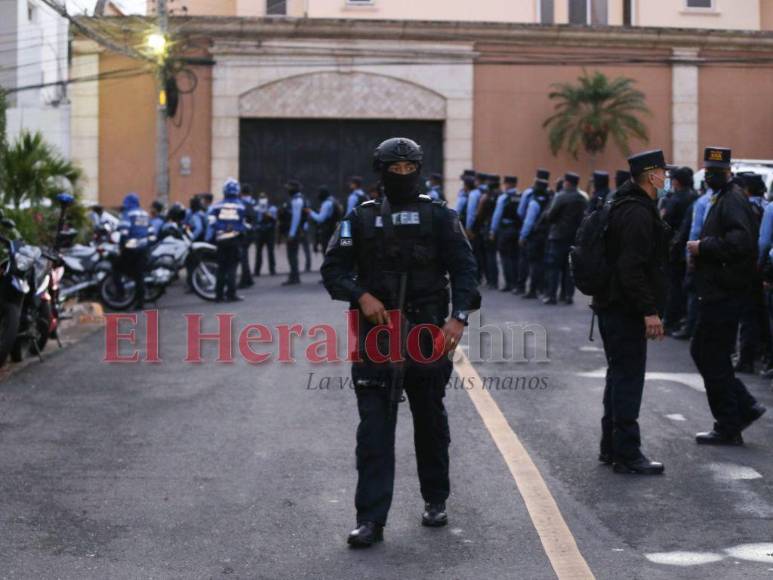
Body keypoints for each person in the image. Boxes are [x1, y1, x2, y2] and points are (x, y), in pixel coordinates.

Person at [321, 137, 480, 548]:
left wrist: (458, 318)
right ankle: (371, 519)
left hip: (427, 331)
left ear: (421, 169)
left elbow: (466, 270)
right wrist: (360, 295)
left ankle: (435, 499)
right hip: (376, 333)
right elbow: (333, 270)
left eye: (411, 169)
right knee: (374, 429)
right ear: (382, 170)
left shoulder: (441, 216)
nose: (404, 176)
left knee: (429, 420)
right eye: (396, 169)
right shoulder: (358, 217)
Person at [592, 150, 672, 475]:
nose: (666, 178)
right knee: (628, 379)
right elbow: (631, 268)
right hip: (624, 310)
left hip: (611, 305)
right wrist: (649, 311)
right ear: (652, 176)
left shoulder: (620, 204)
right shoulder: (637, 212)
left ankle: (610, 448)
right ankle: (626, 453)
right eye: (663, 173)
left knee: (618, 375)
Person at [686, 147, 767, 446]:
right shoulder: (723, 198)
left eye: (716, 172)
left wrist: (702, 247)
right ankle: (742, 408)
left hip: (724, 293)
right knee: (709, 353)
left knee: (709, 354)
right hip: (717, 291)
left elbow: (741, 242)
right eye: (707, 171)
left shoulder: (731, 200)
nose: (710, 176)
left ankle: (729, 422)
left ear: (728, 172)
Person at [660, 167, 698, 334]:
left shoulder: (675, 199)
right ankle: (681, 318)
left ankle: (669, 320)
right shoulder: (696, 197)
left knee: (673, 285)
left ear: (676, 181)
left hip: (675, 246)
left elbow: (665, 222)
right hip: (689, 246)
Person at [543, 172, 587, 305]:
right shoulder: (582, 198)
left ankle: (551, 296)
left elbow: (551, 216)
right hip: (574, 237)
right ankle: (568, 296)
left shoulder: (561, 196)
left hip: (558, 237)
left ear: (567, 182)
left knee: (554, 267)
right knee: (569, 268)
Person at [207, 178, 247, 302]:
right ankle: (231, 294)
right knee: (232, 268)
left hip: (221, 240)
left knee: (221, 268)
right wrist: (234, 229)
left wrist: (223, 227)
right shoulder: (241, 206)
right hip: (234, 240)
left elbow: (211, 222)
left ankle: (218, 295)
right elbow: (244, 224)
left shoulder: (217, 205)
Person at [515, 169, 550, 294]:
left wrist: (523, 235)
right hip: (546, 233)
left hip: (533, 234)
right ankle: (542, 288)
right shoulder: (551, 195)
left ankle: (528, 289)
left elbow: (524, 216)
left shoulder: (531, 196)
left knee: (529, 262)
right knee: (542, 262)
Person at [115, 193, 150, 310]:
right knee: (139, 276)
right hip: (143, 246)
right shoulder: (144, 213)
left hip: (132, 246)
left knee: (116, 268)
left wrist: (121, 247)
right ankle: (140, 303)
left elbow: (124, 232)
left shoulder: (128, 213)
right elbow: (149, 231)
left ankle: (121, 293)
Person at [490, 175, 520, 292]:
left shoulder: (503, 198)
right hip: (516, 229)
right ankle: (516, 282)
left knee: (505, 257)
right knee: (515, 256)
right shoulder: (520, 196)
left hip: (505, 230)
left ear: (508, 184)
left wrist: (493, 230)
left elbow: (497, 216)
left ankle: (509, 283)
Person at [280, 179, 307, 286]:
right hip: (297, 231)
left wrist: (291, 233)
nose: (287, 190)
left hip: (294, 232)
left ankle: (294, 276)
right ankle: (294, 275)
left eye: (289, 188)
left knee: (292, 254)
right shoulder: (299, 199)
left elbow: (296, 218)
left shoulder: (297, 200)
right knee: (292, 254)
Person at [307, 186, 342, 254]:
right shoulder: (333, 200)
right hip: (333, 229)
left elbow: (320, 219)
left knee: (326, 252)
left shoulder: (326, 203)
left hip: (327, 231)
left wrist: (310, 212)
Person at [238, 184, 257, 289]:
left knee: (243, 256)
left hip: (245, 232)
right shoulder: (254, 202)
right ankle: (248, 279)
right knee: (244, 255)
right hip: (252, 231)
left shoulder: (242, 203)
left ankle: (244, 280)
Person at [254, 193, 277, 276]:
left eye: (264, 198)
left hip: (269, 232)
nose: (262, 199)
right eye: (261, 198)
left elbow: (274, 221)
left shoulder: (272, 208)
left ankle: (272, 269)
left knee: (270, 252)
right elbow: (255, 220)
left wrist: (269, 215)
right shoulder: (256, 208)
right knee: (258, 252)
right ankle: (257, 271)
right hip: (260, 232)